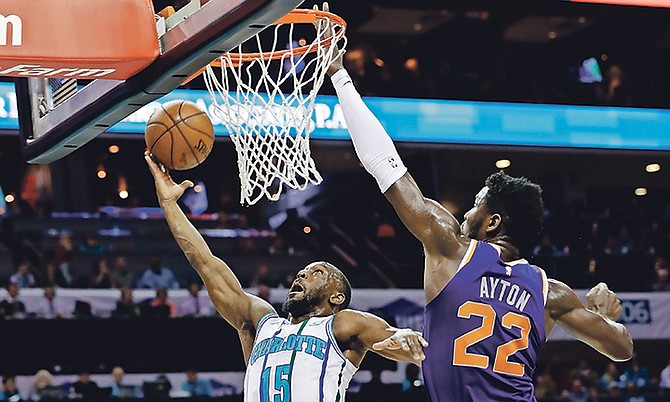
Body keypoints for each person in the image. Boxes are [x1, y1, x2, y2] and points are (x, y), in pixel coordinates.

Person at [322, 7, 634, 400]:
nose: (466, 214)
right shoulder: (550, 293)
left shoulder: (450, 249)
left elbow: (385, 166)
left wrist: (338, 74)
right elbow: (622, 348)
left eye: (476, 206)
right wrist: (607, 316)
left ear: (493, 223)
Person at [145, 153, 427, 402]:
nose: (302, 275)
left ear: (337, 297)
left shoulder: (342, 323)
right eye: (302, 272)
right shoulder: (259, 321)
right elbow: (204, 262)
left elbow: (393, 338)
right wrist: (168, 203)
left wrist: (405, 339)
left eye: (317, 273)